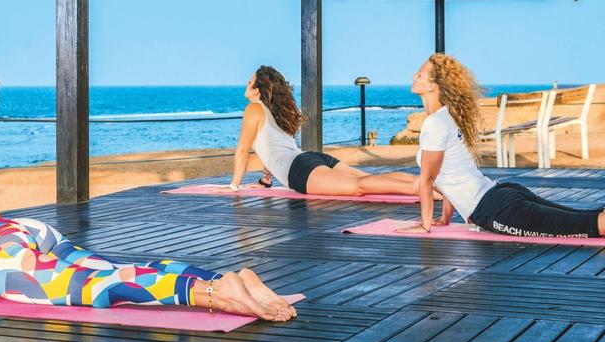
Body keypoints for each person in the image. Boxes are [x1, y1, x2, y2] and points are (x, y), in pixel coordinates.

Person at [0, 32, 296, 322]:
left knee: (102, 290)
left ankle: (215, 292)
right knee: (110, 270)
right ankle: (228, 276)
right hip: (22, 231)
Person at [396, 53, 605, 238]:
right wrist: (445, 219)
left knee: (588, 225)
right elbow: (450, 173)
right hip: (500, 194)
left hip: (495, 208)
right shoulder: (448, 116)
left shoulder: (435, 123)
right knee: (587, 218)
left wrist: (425, 226)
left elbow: (427, 180)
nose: (414, 76)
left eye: (420, 74)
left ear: (433, 85)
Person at [230, 66, 420, 197]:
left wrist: (234, 186)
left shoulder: (253, 109)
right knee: (364, 179)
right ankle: (425, 184)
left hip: (299, 170)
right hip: (309, 159)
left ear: (258, 91)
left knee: (359, 186)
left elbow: (242, 150)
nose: (245, 85)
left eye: (249, 82)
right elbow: (271, 149)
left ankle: (418, 189)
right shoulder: (273, 111)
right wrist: (265, 181)